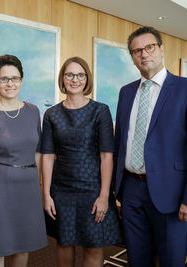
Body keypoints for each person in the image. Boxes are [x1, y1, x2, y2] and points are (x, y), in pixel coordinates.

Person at [114, 26, 187, 267]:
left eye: (149, 47)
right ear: (132, 57)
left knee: (171, 260)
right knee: (137, 260)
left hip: (172, 195)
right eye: (136, 51)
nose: (143, 54)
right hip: (131, 191)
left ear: (161, 49)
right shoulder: (126, 93)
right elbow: (120, 142)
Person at [42, 57, 122, 267]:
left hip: (93, 189)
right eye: (69, 74)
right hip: (62, 189)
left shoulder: (100, 110)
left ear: (87, 79)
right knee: (64, 244)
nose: (74, 79)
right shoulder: (51, 114)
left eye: (80, 75)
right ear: (63, 78)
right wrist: (46, 194)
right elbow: (48, 156)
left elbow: (107, 156)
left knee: (93, 245)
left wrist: (104, 196)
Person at [0, 54, 47, 267]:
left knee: (23, 247)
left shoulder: (33, 111)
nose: (10, 84)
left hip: (28, 189)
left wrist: (37, 184)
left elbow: (38, 152)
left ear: (22, 80)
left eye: (15, 78)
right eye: (4, 79)